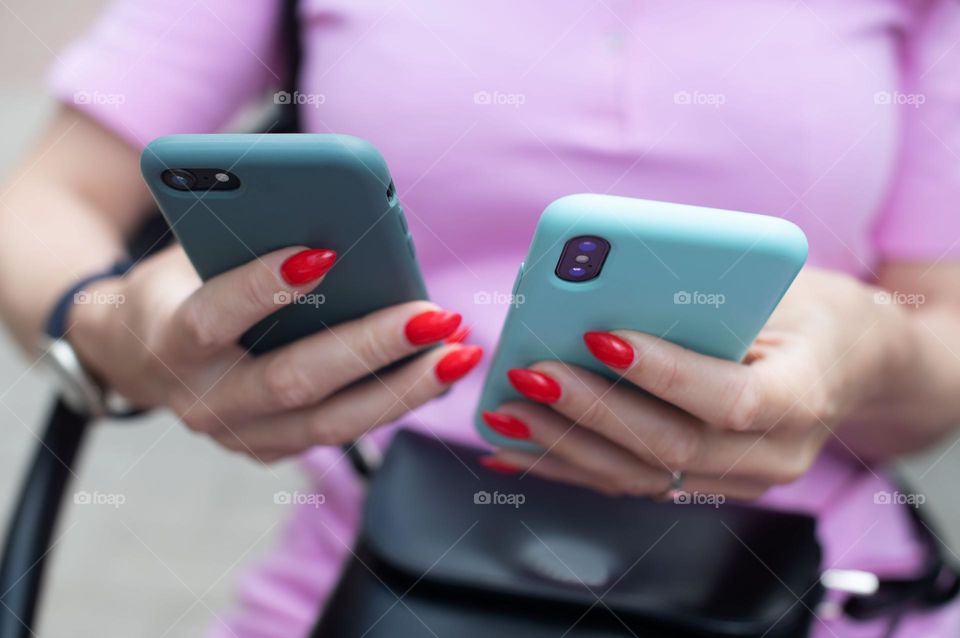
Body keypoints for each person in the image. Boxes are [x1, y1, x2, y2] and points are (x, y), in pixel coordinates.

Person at [2, 1, 960, 635]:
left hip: (815, 601)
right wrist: (121, 330)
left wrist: (870, 353)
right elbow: (41, 207)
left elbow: (940, 334)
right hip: (368, 592)